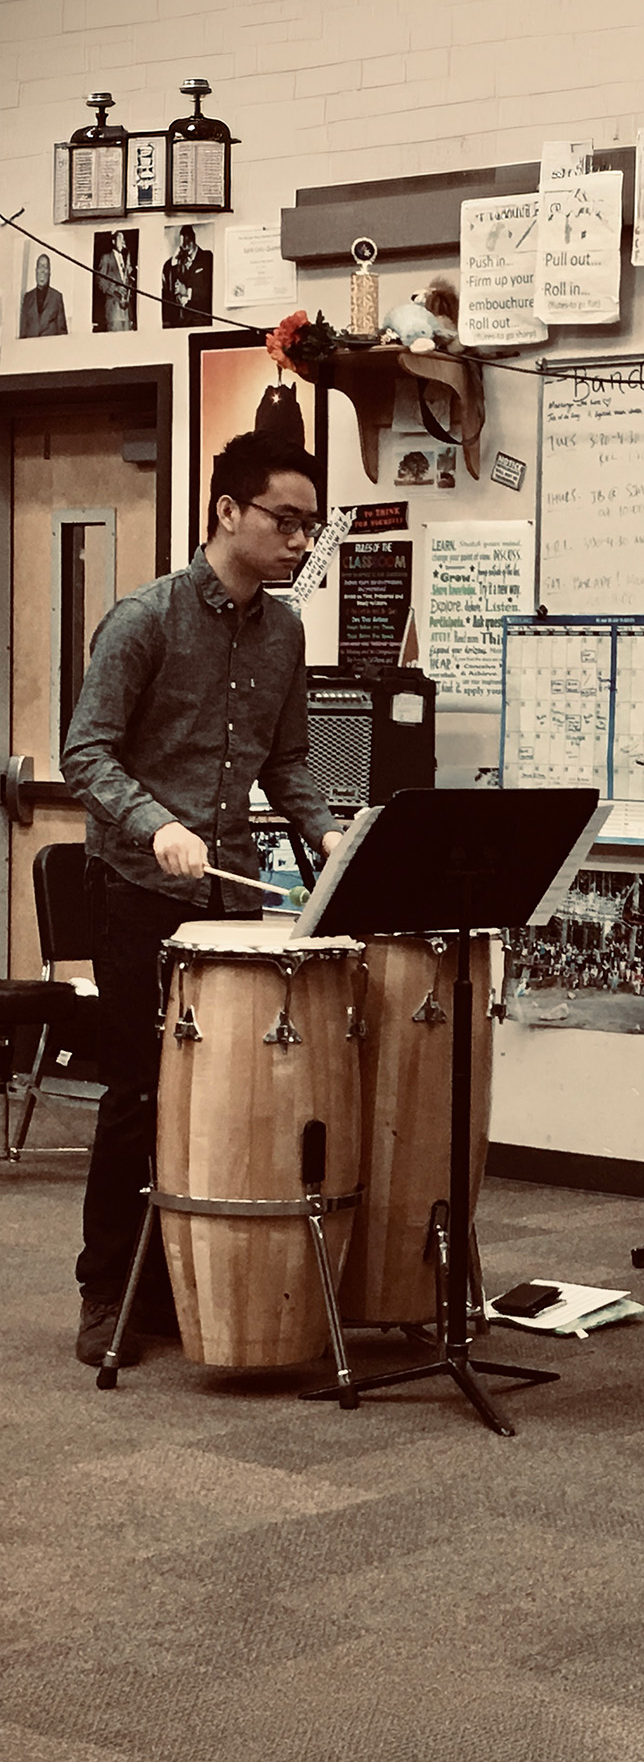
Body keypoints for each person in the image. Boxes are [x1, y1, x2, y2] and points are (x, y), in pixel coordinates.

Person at [61, 426, 346, 1367]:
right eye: (285, 520)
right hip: (136, 889)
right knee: (141, 1092)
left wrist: (328, 831)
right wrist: (155, 823)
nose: (300, 541)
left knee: (225, 1101)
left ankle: (190, 1279)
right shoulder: (144, 619)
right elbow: (85, 752)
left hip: (223, 897)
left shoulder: (285, 632)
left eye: (311, 526)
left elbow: (288, 759)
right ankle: (108, 1289)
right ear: (227, 510)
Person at [161, 223, 214, 329]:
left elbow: (209, 290)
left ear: (193, 239)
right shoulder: (180, 261)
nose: (185, 246)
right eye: (183, 244)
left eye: (188, 242)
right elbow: (168, 275)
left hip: (201, 319)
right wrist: (174, 259)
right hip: (183, 321)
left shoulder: (207, 257)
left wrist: (187, 292)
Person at [20, 251, 67, 336]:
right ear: (36, 271)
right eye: (40, 266)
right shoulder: (28, 298)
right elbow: (23, 332)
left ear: (49, 273)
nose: (42, 271)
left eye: (45, 267)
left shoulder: (57, 297)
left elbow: (62, 333)